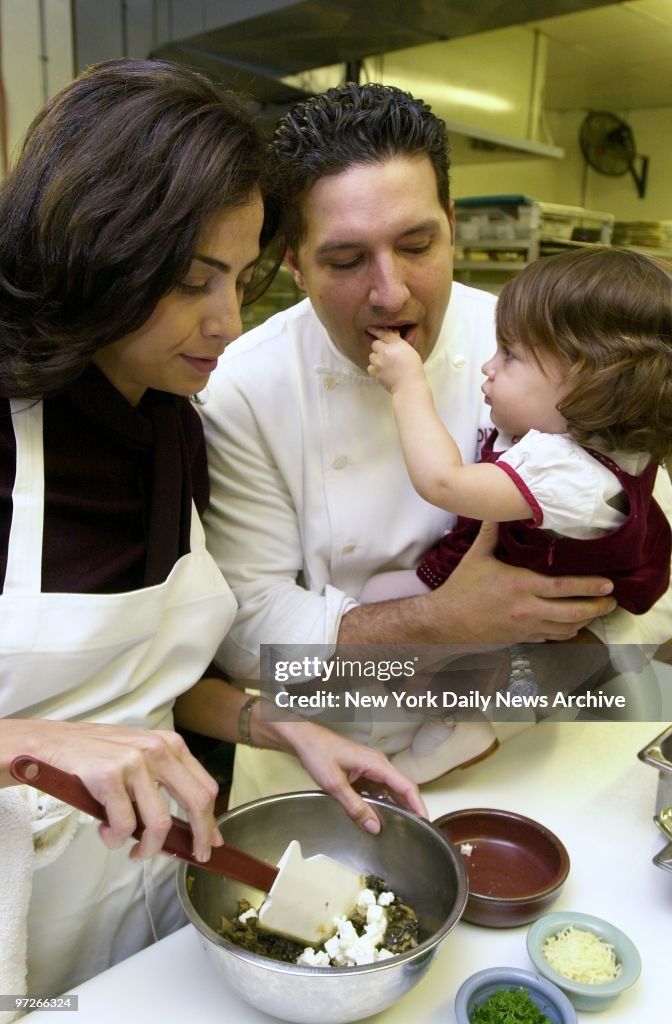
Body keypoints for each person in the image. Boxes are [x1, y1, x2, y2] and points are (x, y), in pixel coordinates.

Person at [0, 61, 424, 1003]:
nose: (229, 321)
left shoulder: (172, 425)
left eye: (240, 278)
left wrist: (274, 721)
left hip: (138, 902)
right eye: (194, 282)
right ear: (94, 252)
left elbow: (150, 677)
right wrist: (28, 740)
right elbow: (65, 712)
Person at [201, 83, 672, 805]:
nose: (391, 293)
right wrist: (441, 622)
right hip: (334, 766)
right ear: (294, 265)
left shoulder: (542, 350)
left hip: (542, 740)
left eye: (417, 245)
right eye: (347, 260)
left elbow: (647, 546)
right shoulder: (243, 385)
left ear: (452, 226)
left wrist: (547, 650)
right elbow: (248, 632)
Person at [365, 246, 672, 777]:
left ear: (594, 382)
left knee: (402, 628)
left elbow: (444, 482)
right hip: (523, 599)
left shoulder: (574, 475)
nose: (488, 366)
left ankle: (463, 727)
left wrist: (407, 385)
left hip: (524, 618)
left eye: (509, 355)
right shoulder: (597, 437)